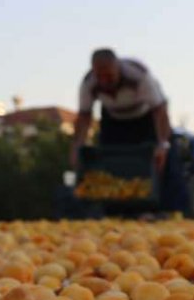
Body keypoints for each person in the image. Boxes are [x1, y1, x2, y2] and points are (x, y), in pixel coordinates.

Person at [73, 48, 184, 212]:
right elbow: (84, 117)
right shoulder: (89, 83)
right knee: (111, 164)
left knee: (164, 161)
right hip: (114, 120)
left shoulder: (139, 76)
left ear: (117, 67)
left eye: (108, 76)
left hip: (146, 118)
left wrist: (162, 144)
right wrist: (77, 146)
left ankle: (170, 210)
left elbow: (160, 110)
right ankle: (117, 212)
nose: (104, 81)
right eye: (100, 76)